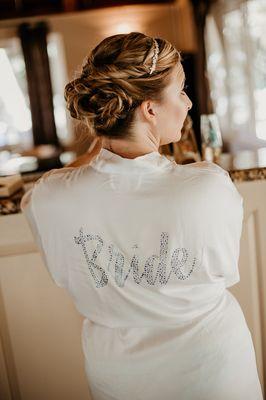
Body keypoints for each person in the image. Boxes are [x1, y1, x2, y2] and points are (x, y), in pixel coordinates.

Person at [20, 32, 263, 400]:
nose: (188, 102)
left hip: (119, 380)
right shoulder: (208, 186)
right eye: (181, 91)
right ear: (150, 109)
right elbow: (223, 270)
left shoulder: (51, 197)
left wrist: (108, 140)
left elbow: (43, 200)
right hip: (213, 372)